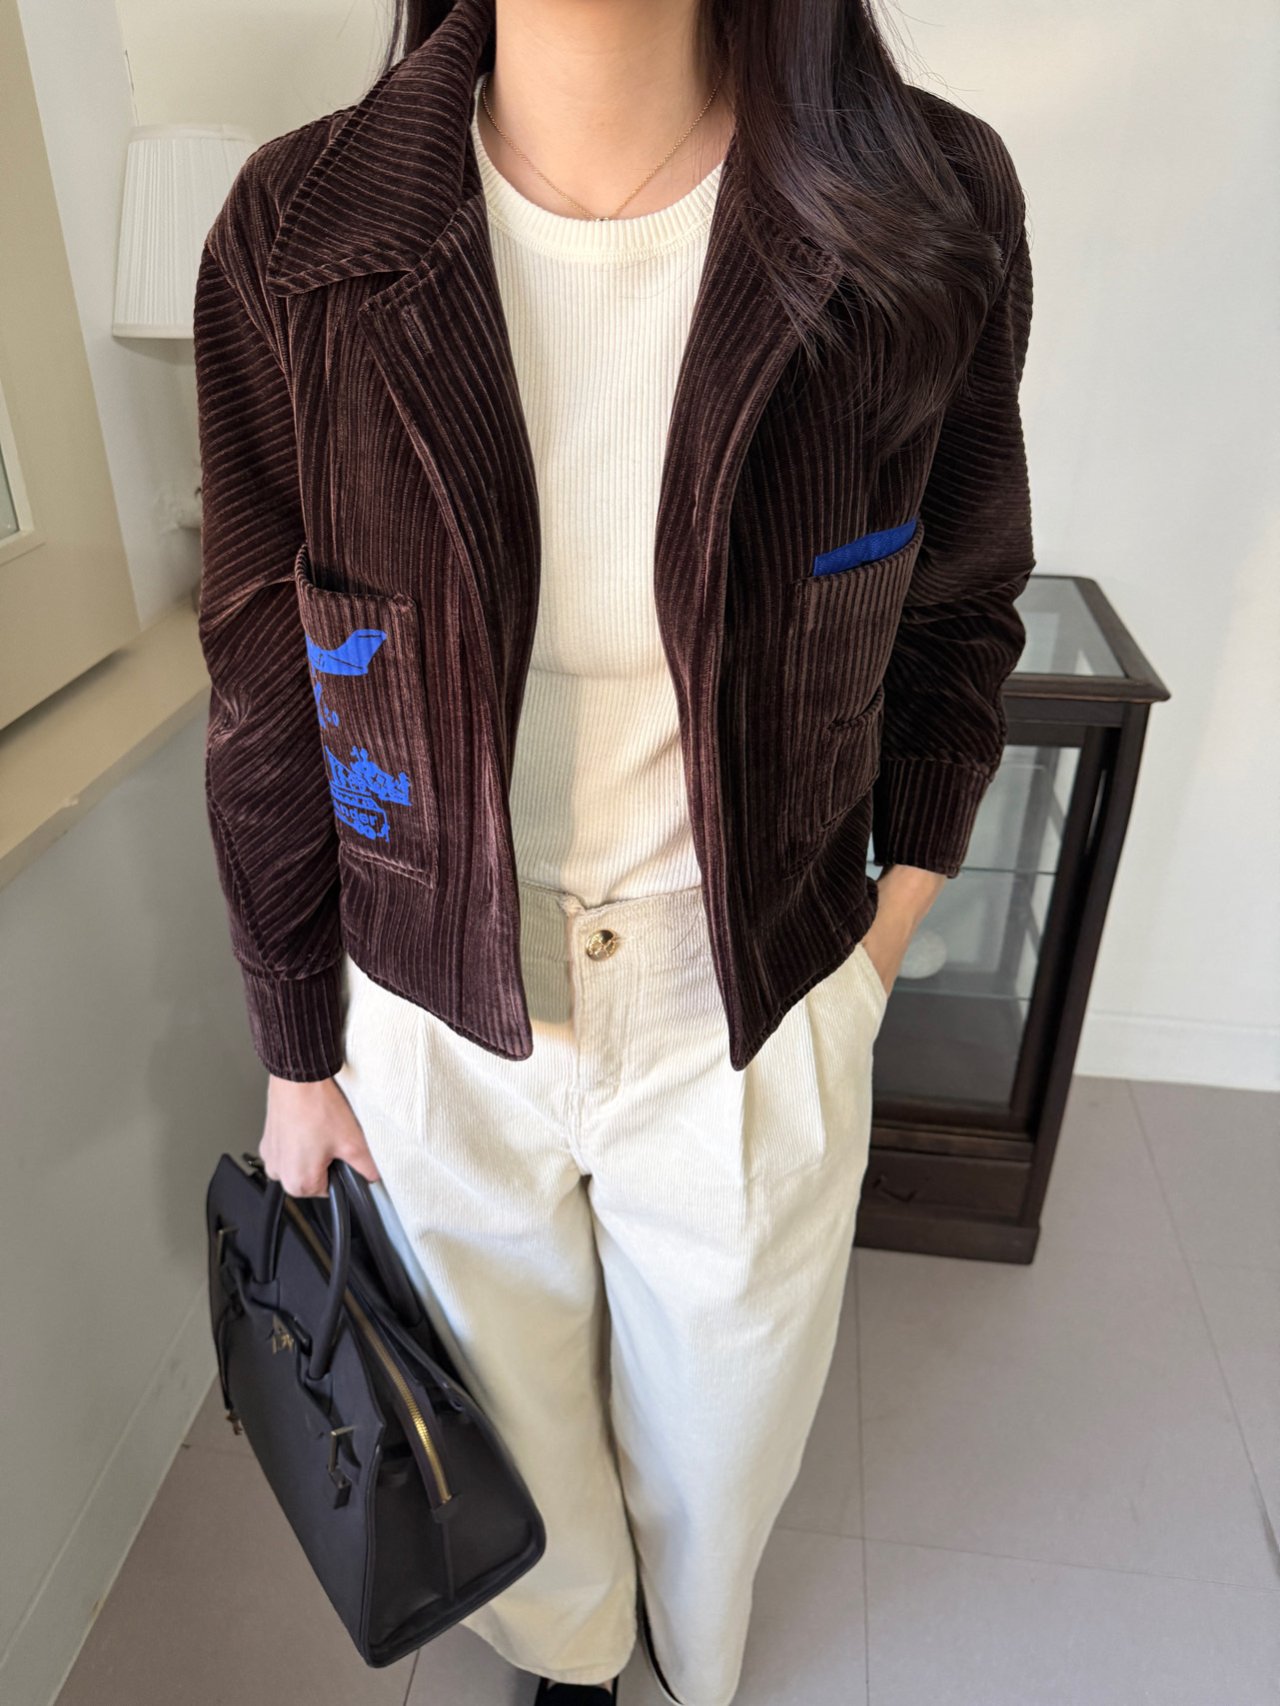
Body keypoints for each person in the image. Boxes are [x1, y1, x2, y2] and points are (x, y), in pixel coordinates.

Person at [192, 0, 1035, 1700]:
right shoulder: (299, 238)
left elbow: (960, 608)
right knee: (509, 1436)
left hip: (757, 995)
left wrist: (877, 951)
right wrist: (296, 1050)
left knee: (722, 1456)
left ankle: (690, 1661)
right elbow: (268, 689)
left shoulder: (926, 205)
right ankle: (573, 1660)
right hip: (436, 1016)